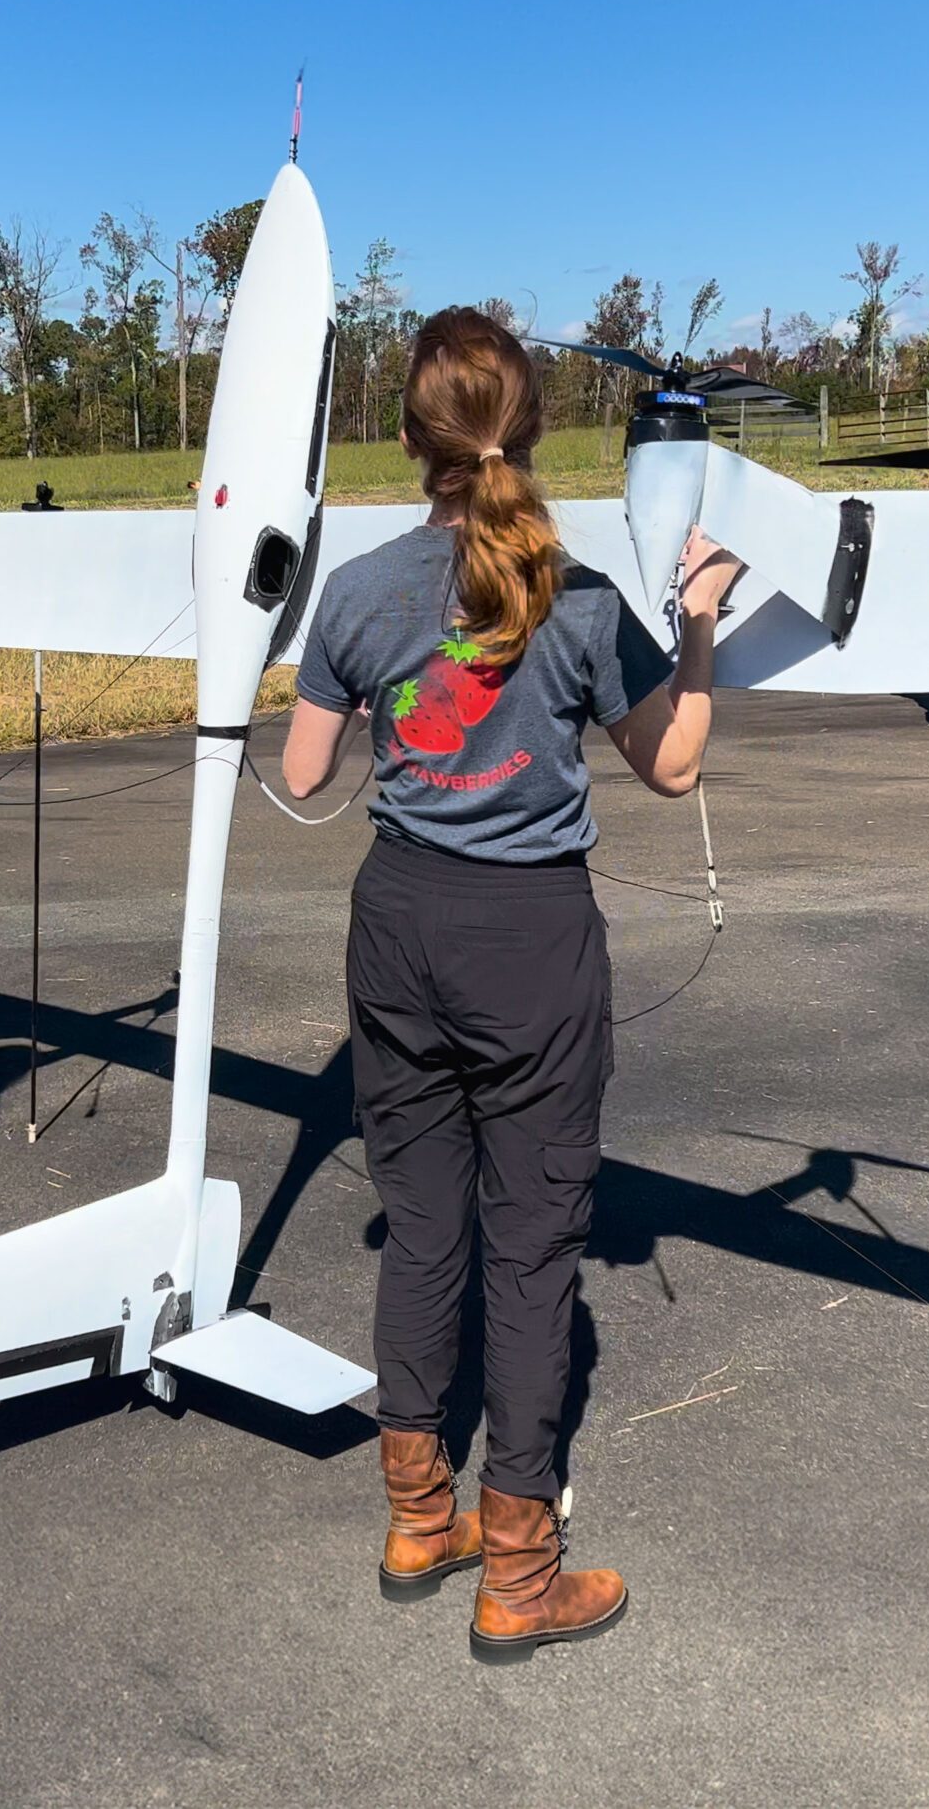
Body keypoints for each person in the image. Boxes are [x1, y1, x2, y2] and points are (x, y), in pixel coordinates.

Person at [281, 307, 741, 1661]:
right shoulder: (582, 594)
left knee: (423, 1226)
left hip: (400, 918)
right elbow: (674, 765)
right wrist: (699, 629)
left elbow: (303, 776)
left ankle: (420, 1514)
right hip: (527, 934)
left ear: (411, 437)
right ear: (531, 430)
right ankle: (520, 1566)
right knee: (533, 1250)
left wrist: (380, 703)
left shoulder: (358, 591)